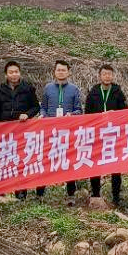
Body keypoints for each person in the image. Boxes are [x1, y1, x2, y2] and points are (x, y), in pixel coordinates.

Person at [0, 60, 40, 200]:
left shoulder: (28, 88)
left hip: (23, 130)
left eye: (16, 72)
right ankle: (3, 190)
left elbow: (35, 107)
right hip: (5, 131)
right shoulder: (0, 90)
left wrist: (28, 114)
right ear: (6, 75)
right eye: (11, 72)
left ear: (20, 73)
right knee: (5, 160)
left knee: (21, 159)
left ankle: (21, 192)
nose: (14, 75)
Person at [84, 64, 128, 206]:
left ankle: (116, 196)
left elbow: (125, 112)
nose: (107, 76)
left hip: (114, 134)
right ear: (100, 76)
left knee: (116, 165)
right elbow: (87, 114)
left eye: (109, 74)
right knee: (95, 163)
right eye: (104, 74)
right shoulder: (93, 92)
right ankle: (95, 193)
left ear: (113, 76)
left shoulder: (118, 92)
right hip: (97, 134)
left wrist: (114, 115)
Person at [40, 60, 83, 204]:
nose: (61, 72)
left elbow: (79, 110)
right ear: (54, 71)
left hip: (67, 131)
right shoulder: (47, 88)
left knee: (69, 161)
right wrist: (43, 116)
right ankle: (40, 194)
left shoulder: (74, 89)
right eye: (58, 70)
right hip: (50, 131)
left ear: (68, 72)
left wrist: (72, 115)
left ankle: (70, 194)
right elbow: (43, 108)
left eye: (63, 70)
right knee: (45, 160)